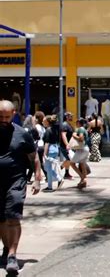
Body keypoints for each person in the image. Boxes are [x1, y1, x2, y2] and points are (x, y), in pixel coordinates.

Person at [0, 100, 42, 274]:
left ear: (14, 114)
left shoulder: (22, 134)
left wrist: (38, 178)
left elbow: (34, 158)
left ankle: (12, 255)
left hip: (16, 181)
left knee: (13, 216)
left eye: (7, 117)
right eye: (0, 116)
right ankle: (6, 248)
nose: (3, 119)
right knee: (1, 218)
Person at [42, 115, 64, 192]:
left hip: (50, 149)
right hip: (55, 148)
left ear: (47, 122)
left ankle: (58, 179)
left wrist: (44, 153)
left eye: (44, 121)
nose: (42, 122)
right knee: (49, 168)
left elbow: (47, 143)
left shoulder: (48, 130)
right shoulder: (54, 129)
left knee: (47, 168)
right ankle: (50, 186)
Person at [68, 118, 90, 189]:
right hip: (85, 149)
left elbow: (81, 138)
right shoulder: (84, 129)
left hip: (81, 149)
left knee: (72, 163)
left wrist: (74, 135)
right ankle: (83, 180)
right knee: (82, 164)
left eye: (76, 122)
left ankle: (82, 177)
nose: (75, 124)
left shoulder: (80, 129)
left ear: (78, 123)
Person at [60, 112, 74, 180]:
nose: (72, 117)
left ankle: (66, 173)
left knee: (68, 159)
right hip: (64, 146)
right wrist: (67, 144)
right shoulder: (64, 125)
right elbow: (63, 135)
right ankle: (60, 169)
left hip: (68, 146)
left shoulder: (68, 124)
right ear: (67, 117)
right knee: (69, 159)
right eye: (70, 116)